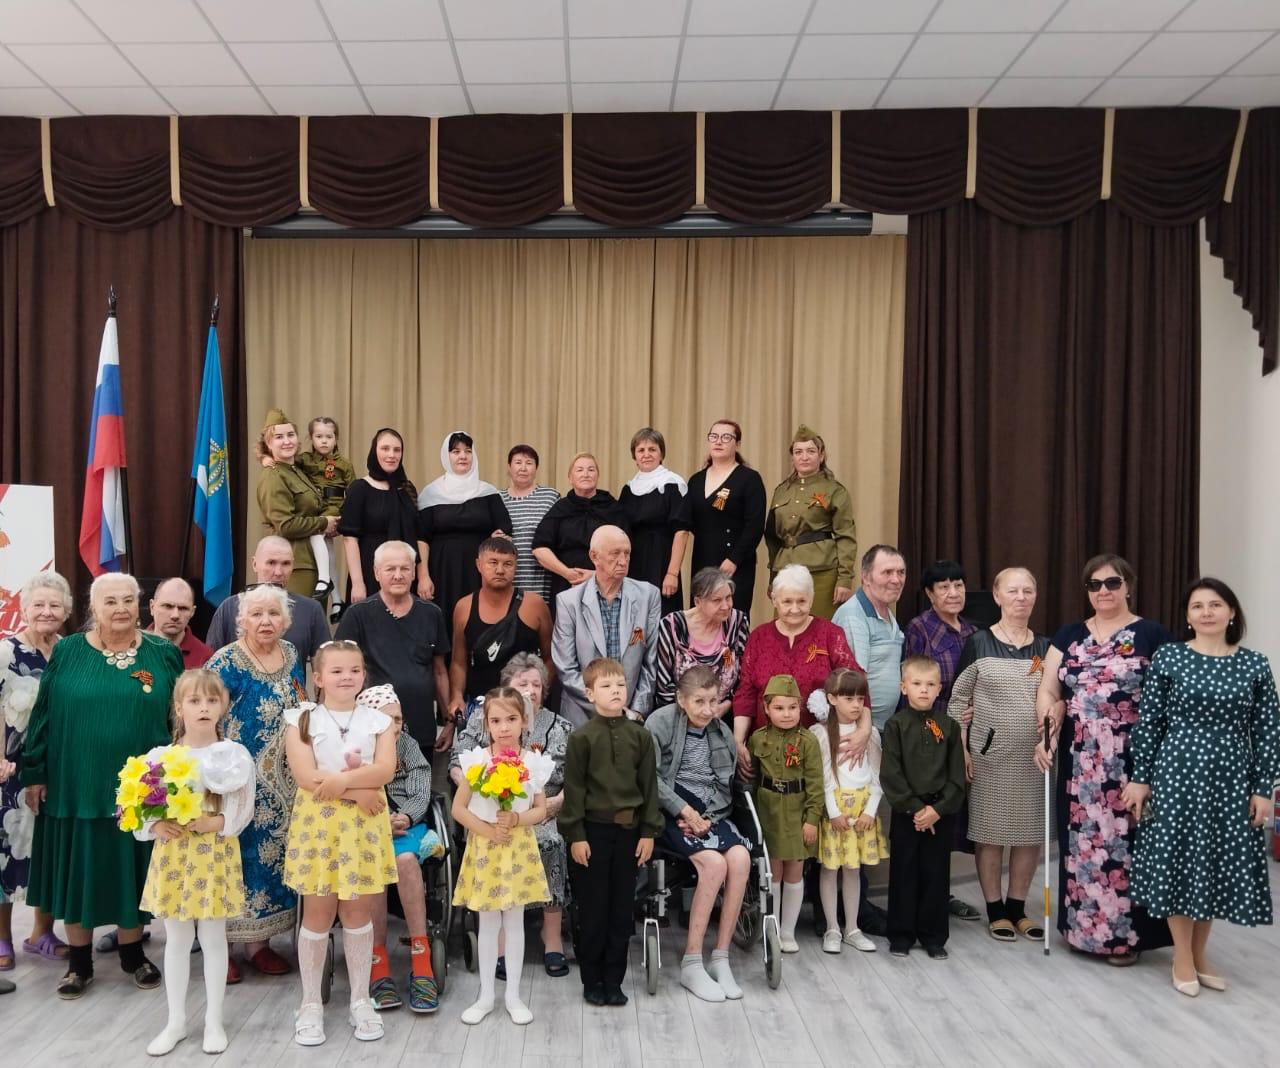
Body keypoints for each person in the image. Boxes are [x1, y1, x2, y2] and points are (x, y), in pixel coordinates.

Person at [22, 573, 181, 998]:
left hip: (143, 786)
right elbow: (43, 713)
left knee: (132, 865)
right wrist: (35, 772)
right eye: (110, 601)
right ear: (93, 607)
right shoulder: (69, 651)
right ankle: (79, 963)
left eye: (128, 599)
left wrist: (181, 776)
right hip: (76, 781)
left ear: (139, 604)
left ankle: (133, 953)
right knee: (81, 869)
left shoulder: (163, 653)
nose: (121, 608)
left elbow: (178, 718)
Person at [1123, 578, 1280, 997]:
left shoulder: (1254, 664)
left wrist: (1263, 789)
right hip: (1176, 774)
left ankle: (1200, 953)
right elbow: (1150, 722)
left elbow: (1268, 730)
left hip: (1231, 778)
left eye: (1215, 604)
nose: (1206, 612)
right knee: (1178, 859)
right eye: (1197, 606)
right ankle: (1182, 956)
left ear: (1231, 612)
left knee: (1214, 862)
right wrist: (1140, 777)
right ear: (1188, 616)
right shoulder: (1170, 657)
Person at [1035, 553, 1173, 964]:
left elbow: (1168, 701)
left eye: (1112, 583)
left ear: (1128, 585)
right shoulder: (1069, 634)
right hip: (1079, 757)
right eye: (1094, 585)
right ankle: (1082, 932)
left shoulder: (1152, 634)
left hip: (1131, 756)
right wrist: (1047, 728)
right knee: (1080, 844)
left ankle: (1124, 940)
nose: (1103, 591)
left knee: (1126, 845)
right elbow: (1049, 690)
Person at [284, 640, 398, 1045]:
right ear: (318, 678)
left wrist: (345, 784)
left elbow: (385, 769)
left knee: (357, 911)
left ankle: (361, 1000)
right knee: (318, 912)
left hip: (362, 828)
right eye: (336, 671)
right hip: (319, 823)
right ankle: (310, 1003)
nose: (346, 677)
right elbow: (305, 776)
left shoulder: (378, 722)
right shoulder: (301, 719)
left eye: (354, 670)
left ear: (363, 675)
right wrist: (356, 792)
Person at [136, 669, 255, 1056]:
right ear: (179, 707)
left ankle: (214, 1021)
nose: (204, 707)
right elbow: (140, 809)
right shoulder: (161, 757)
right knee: (177, 939)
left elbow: (243, 807)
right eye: (194, 701)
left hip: (214, 854)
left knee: (214, 937)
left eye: (211, 700)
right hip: (175, 855)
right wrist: (157, 825)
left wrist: (215, 822)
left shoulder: (234, 756)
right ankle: (176, 1022)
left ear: (222, 707)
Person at [450, 653, 574, 977]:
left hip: (543, 811)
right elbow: (457, 763)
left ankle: (551, 936)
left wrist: (556, 803)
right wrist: (477, 792)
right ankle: (500, 944)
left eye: (537, 684)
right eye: (523, 683)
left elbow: (575, 776)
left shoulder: (561, 726)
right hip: (487, 814)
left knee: (552, 842)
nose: (531, 690)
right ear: (507, 687)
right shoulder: (486, 717)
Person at [207, 584, 305, 982]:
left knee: (271, 859)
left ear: (286, 620)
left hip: (284, 783)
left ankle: (258, 945)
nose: (266, 621)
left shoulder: (292, 654)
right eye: (257, 614)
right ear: (242, 620)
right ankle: (223, 949)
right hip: (236, 779)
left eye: (274, 614)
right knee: (233, 859)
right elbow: (206, 716)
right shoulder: (225, 662)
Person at [948, 567, 1050, 943]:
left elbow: (1053, 696)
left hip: (1034, 758)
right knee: (989, 834)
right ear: (997, 596)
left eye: (1028, 590)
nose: (1021, 597)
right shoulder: (978, 642)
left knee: (1028, 836)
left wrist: (1050, 732)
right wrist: (961, 748)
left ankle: (1018, 908)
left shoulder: (1045, 649)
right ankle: (995, 910)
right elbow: (958, 700)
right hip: (989, 757)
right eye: (1013, 590)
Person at [559, 657, 661, 1007]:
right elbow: (574, 791)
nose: (615, 691)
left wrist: (648, 832)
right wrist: (576, 835)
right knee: (593, 909)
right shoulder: (582, 738)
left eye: (620, 684)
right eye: (606, 686)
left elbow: (649, 788)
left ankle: (614, 980)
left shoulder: (640, 736)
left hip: (630, 834)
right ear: (589, 693)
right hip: (592, 834)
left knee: (621, 909)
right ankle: (592, 980)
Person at [646, 665, 751, 1002]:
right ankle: (692, 962)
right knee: (714, 865)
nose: (708, 710)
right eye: (699, 702)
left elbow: (726, 784)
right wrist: (686, 812)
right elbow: (650, 777)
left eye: (713, 701)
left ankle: (720, 957)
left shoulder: (721, 731)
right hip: (670, 812)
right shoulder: (660, 723)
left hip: (710, 812)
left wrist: (706, 817)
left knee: (740, 859)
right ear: (681, 699)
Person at [451, 686, 554, 1025]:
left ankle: (513, 995)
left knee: (514, 922)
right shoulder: (477, 761)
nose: (504, 727)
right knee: (488, 923)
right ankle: (485, 995)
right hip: (486, 848)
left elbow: (540, 809)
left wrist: (516, 820)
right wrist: (487, 829)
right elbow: (458, 809)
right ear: (486, 724)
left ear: (524, 721)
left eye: (511, 719)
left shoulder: (532, 762)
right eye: (496, 721)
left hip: (518, 848)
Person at [0, 571, 72, 971]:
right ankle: (2, 937)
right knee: (7, 853)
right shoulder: (6, 652)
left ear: (67, 611)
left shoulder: (69, 652)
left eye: (54, 605)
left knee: (48, 850)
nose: (46, 611)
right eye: (38, 604)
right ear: (25, 608)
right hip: (11, 770)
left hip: (58, 768)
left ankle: (41, 933)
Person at [733, 564, 865, 768]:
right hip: (767, 751)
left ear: (811, 599)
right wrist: (738, 741)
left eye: (802, 601)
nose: (795, 609)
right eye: (787, 601)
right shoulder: (759, 636)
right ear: (774, 600)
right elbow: (746, 692)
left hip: (819, 749)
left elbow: (856, 682)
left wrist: (864, 730)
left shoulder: (830, 634)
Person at [360, 684, 440, 1014]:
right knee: (375, 868)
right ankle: (377, 961)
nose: (394, 725)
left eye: (398, 718)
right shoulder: (356, 749)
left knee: (406, 859)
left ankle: (421, 957)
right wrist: (380, 822)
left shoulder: (407, 746)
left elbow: (421, 790)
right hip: (366, 828)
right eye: (386, 719)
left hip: (406, 824)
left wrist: (405, 815)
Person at [880, 655, 966, 959]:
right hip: (908, 814)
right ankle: (901, 934)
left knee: (935, 874)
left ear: (940, 688)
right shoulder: (895, 726)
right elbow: (891, 774)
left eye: (930, 684)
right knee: (903, 873)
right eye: (917, 683)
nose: (924, 690)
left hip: (940, 814)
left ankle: (933, 936)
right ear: (904, 687)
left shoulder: (950, 727)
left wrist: (937, 810)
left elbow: (957, 776)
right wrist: (917, 809)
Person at [336, 541, 453, 753]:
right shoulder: (357, 615)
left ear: (414, 572)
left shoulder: (431, 613)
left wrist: (449, 722)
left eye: (404, 568)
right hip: (371, 731)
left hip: (421, 730)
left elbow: (439, 671)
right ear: (376, 572)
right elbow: (338, 672)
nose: (398, 575)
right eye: (390, 569)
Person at [809, 668, 887, 954]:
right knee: (829, 870)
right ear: (832, 699)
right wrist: (832, 812)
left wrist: (870, 811)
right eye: (848, 698)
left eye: (860, 699)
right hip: (835, 813)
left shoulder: (870, 733)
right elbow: (822, 777)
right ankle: (832, 927)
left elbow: (877, 776)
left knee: (854, 870)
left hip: (862, 812)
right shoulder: (820, 733)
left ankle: (852, 928)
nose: (856, 705)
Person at [551, 525, 660, 726]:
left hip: (630, 717)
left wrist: (636, 710)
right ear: (594, 557)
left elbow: (650, 662)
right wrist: (608, 707)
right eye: (615, 553)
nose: (623, 560)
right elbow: (566, 668)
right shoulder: (569, 601)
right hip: (581, 718)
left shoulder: (648, 595)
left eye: (627, 553)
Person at [748, 674, 822, 954]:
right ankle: (773, 928)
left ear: (800, 707)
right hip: (768, 811)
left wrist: (812, 820)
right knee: (773, 872)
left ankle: (789, 931)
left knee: (794, 871)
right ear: (766, 708)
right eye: (779, 708)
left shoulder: (808, 741)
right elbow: (752, 779)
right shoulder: (758, 739)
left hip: (796, 812)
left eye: (792, 707)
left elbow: (816, 784)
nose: (787, 714)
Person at [448, 537, 553, 724]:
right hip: (480, 708)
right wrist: (456, 696)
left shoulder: (534, 605)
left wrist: (539, 693)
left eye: (508, 564)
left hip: (525, 707)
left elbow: (550, 658)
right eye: (493, 562)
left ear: (516, 567)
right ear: (479, 565)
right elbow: (458, 662)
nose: (500, 570)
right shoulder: (464, 607)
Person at [417, 431, 513, 625]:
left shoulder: (488, 492)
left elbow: (504, 527)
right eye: (456, 451)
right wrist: (423, 576)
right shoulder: (430, 493)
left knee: (478, 618)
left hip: (479, 569)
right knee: (443, 620)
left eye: (468, 451)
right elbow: (421, 538)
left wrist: (499, 535)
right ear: (446, 456)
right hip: (441, 568)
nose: (463, 456)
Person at [765, 425, 857, 619]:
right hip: (786, 571)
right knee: (784, 627)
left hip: (822, 572)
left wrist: (845, 579)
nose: (804, 457)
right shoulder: (781, 491)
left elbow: (846, 536)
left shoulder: (834, 490)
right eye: (798, 452)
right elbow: (772, 538)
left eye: (811, 451)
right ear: (792, 457)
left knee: (820, 630)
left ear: (821, 456)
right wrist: (773, 578)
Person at [204, 536, 331, 665]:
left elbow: (326, 668)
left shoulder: (310, 609)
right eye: (271, 563)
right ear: (254, 564)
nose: (278, 572)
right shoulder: (229, 607)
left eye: (286, 564)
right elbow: (210, 667)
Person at [684, 420, 767, 616]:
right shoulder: (696, 480)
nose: (718, 441)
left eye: (726, 437)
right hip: (703, 559)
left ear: (737, 444)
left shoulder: (749, 479)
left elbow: (755, 525)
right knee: (701, 617)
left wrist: (734, 559)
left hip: (734, 563)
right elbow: (691, 522)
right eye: (714, 436)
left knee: (730, 617)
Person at [340, 427, 429, 602]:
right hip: (370, 571)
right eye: (385, 448)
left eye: (397, 450)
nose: (391, 455)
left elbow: (419, 535)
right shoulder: (359, 488)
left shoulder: (407, 489)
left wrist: (423, 576)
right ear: (374, 451)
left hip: (404, 572)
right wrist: (358, 583)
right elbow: (350, 539)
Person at [256, 407, 337, 597]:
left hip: (313, 563)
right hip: (294, 565)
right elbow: (285, 525)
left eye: (290, 435)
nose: (287, 441)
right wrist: (324, 523)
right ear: (268, 443)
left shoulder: (298, 470)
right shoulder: (273, 476)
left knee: (314, 615)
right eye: (279, 437)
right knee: (299, 615)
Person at [532, 452, 629, 606]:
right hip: (566, 584)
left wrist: (598, 575)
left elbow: (627, 550)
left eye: (591, 469)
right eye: (579, 470)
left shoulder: (613, 508)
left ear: (597, 476)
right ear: (570, 477)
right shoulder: (560, 508)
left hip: (607, 586)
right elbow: (539, 548)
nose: (586, 474)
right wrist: (567, 573)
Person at [654, 566, 750, 712]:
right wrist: (696, 712)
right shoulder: (672, 625)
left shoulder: (738, 622)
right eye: (717, 600)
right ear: (698, 602)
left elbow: (745, 676)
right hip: (681, 714)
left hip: (724, 714)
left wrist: (726, 706)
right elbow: (663, 686)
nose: (726, 606)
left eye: (728, 597)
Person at [619, 427, 691, 617]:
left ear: (661, 454)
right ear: (634, 456)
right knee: (634, 622)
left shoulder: (673, 484)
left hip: (662, 564)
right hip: (634, 565)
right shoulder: (628, 489)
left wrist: (672, 573)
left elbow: (682, 532)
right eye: (641, 450)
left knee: (662, 620)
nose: (646, 454)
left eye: (652, 449)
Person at [833, 545, 907, 730]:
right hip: (859, 728)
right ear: (865, 577)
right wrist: (864, 728)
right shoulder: (853, 616)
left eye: (901, 572)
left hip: (881, 728)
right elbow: (853, 680)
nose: (896, 580)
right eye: (887, 572)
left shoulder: (886, 611)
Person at [293, 416, 356, 604]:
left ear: (336, 439)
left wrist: (345, 518)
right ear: (311, 438)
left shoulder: (344, 464)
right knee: (328, 550)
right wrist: (266, 459)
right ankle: (337, 600)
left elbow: (353, 493)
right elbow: (285, 466)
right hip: (314, 508)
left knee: (316, 533)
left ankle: (323, 579)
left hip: (333, 508)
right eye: (319, 436)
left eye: (329, 437)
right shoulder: (303, 460)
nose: (324, 441)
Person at [901, 561, 976, 715]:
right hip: (931, 720)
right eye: (944, 587)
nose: (954, 593)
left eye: (958, 585)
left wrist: (974, 707)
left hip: (967, 722)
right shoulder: (919, 628)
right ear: (930, 593)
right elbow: (910, 686)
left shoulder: (972, 632)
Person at [500, 444, 560, 602]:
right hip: (505, 578)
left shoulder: (550, 497)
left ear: (536, 468)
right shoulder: (498, 498)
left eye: (529, 463)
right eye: (518, 462)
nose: (523, 468)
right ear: (509, 467)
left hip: (540, 578)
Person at [148, 577, 212, 668]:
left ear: (192, 612)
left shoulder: (205, 658)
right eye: (168, 606)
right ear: (152, 607)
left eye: (183, 608)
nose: (175, 615)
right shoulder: (132, 648)